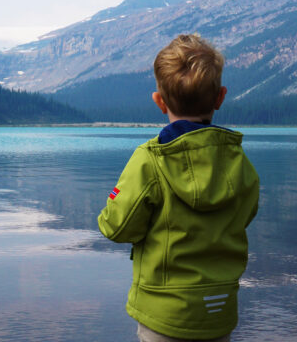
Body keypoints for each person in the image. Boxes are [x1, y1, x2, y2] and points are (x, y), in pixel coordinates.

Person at [97, 34, 260, 342]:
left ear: (159, 101)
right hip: (219, 311)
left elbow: (118, 228)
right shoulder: (239, 161)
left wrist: (110, 209)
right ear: (220, 97)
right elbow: (245, 214)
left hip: (164, 314)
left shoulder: (149, 160)